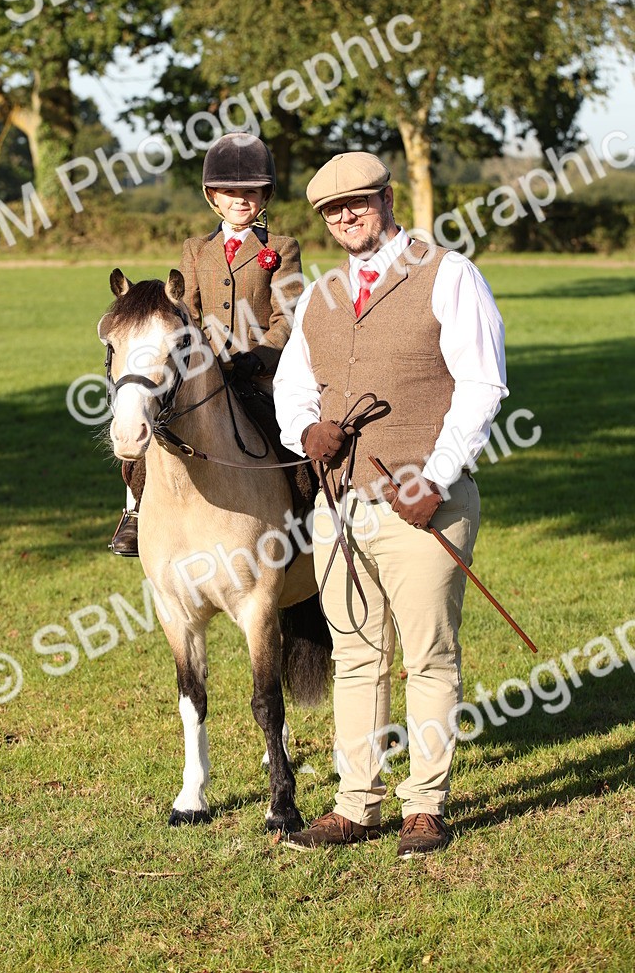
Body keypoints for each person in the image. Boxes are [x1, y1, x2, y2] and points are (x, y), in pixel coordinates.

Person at [273, 151, 507, 858]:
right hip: (340, 509)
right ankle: (355, 805)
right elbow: (293, 388)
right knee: (355, 655)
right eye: (333, 211)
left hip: (424, 506)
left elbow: (482, 385)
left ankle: (425, 807)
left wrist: (434, 477)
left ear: (386, 197)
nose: (347, 217)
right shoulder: (319, 296)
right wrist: (303, 430)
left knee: (429, 656)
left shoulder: (449, 274)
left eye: (359, 203)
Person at [109, 131, 305, 556]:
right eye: (229, 191)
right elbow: (185, 313)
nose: (240, 199)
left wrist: (258, 357)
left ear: (265, 195)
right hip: (200, 372)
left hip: (261, 374)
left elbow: (286, 315)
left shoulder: (282, 249)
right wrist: (195, 358)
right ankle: (135, 511)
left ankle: (306, 512)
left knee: (287, 433)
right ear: (212, 197)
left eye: (250, 191)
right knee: (150, 424)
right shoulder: (196, 249)